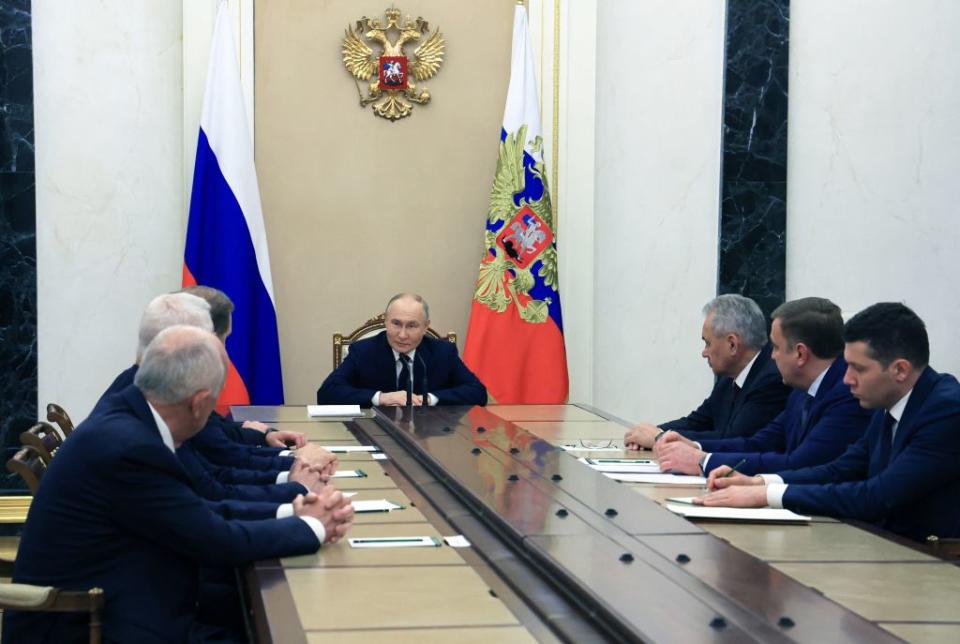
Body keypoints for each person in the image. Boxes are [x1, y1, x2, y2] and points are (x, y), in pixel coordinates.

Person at [4, 326, 354, 642]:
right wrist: (313, 528)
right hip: (91, 623)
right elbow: (213, 539)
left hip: (128, 589)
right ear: (200, 403)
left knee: (251, 599)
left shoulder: (130, 416)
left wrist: (289, 510)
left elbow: (197, 511)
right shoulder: (131, 447)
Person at [699, 303, 960, 542]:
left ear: (900, 370)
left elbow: (877, 496)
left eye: (859, 368)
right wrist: (761, 482)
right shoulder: (888, 400)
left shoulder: (945, 411)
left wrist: (767, 496)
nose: (847, 379)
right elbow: (839, 469)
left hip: (936, 565)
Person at [655, 297, 871, 476]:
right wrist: (696, 447)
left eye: (776, 347)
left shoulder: (847, 393)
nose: (772, 356)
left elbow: (801, 463)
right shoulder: (800, 391)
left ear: (800, 354)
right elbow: (760, 443)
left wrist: (704, 461)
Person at [624, 294, 789, 449]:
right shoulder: (729, 378)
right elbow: (696, 422)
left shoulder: (771, 380)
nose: (704, 353)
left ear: (732, 344)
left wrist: (660, 438)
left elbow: (733, 440)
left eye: (708, 343)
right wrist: (646, 433)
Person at [316, 293, 487, 407]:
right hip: (376, 433)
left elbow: (478, 393)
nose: (402, 335)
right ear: (386, 321)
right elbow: (326, 394)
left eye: (412, 326)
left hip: (429, 435)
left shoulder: (443, 352)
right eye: (396, 323)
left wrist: (429, 399)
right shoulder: (363, 351)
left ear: (426, 327)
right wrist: (381, 398)